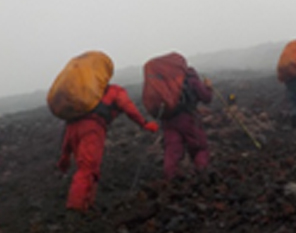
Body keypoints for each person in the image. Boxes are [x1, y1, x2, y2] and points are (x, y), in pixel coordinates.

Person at [57, 84, 159, 213]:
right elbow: (129, 108)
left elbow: (69, 130)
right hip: (92, 128)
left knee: (88, 167)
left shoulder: (86, 92)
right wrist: (144, 124)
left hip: (72, 128)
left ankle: (87, 205)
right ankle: (76, 208)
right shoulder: (115, 91)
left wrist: (65, 156)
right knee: (88, 168)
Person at [161, 68, 213, 180]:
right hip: (188, 119)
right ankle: (201, 176)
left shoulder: (165, 81)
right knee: (199, 148)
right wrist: (208, 87)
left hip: (168, 121)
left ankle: (170, 180)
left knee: (172, 150)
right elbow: (206, 97)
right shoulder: (191, 79)